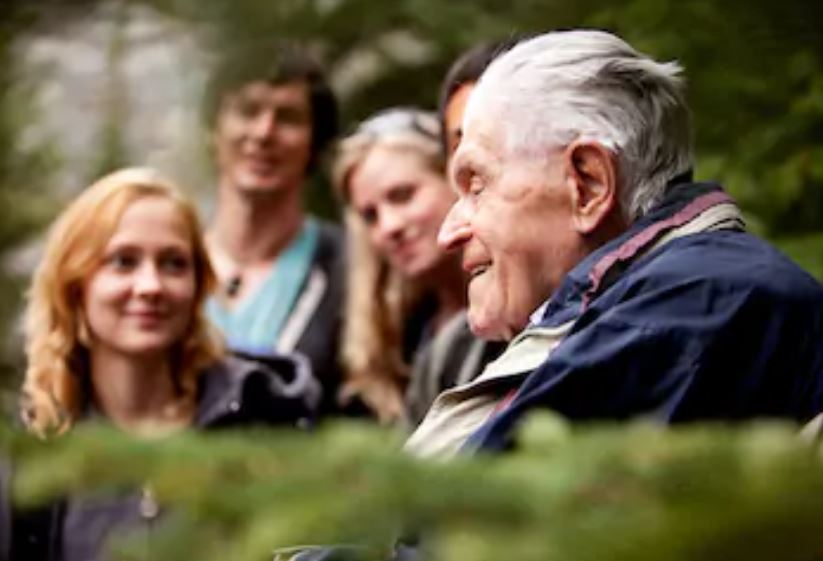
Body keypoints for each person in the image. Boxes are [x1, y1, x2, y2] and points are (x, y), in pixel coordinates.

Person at [406, 29, 823, 458]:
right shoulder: (680, 295)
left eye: (477, 186)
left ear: (588, 184)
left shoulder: (691, 305)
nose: (448, 233)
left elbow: (457, 494)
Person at [9, 167, 319, 560]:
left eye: (174, 263)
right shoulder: (35, 453)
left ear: (198, 283)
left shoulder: (265, 418)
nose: (151, 286)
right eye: (124, 261)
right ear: (74, 284)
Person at [201, 41, 346, 416]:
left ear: (315, 144)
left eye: (288, 118)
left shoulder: (348, 270)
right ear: (214, 128)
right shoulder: (166, 265)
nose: (264, 132)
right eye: (247, 111)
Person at [333, 108, 481, 424]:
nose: (389, 226)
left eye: (403, 196)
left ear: (455, 179)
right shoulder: (398, 338)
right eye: (370, 216)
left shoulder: (523, 307)